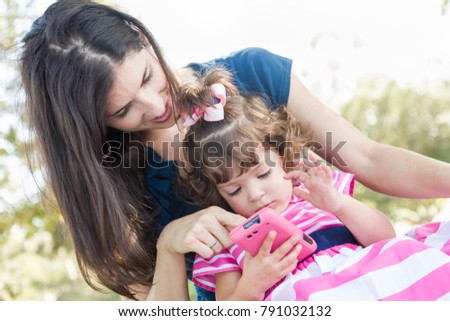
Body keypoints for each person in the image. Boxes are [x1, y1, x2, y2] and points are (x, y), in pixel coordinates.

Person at [18, 0, 450, 300]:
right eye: (124, 109)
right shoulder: (111, 182)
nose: (156, 106)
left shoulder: (251, 71)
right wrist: (170, 246)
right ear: (93, 123)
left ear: (142, 37)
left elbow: (368, 158)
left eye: (148, 77)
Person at [178, 68, 450, 300]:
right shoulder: (227, 240)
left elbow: (384, 238)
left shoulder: (318, 196)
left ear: (283, 156)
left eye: (263, 175)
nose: (256, 194)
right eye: (235, 190)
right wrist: (253, 282)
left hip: (378, 279)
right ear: (218, 194)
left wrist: (339, 204)